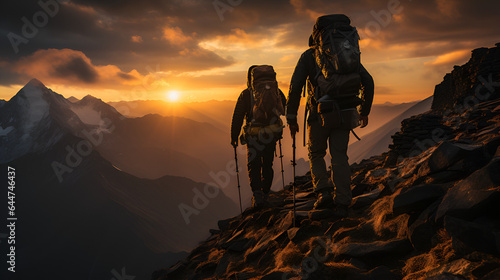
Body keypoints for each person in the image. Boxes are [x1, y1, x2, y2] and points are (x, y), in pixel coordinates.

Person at [286, 14, 374, 217]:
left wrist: (291, 118)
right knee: (339, 156)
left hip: (319, 114)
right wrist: (365, 111)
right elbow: (368, 81)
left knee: (316, 153)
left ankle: (323, 193)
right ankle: (343, 201)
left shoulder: (309, 56)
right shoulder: (349, 55)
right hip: (345, 112)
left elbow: (295, 87)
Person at [231, 65, 286, 208]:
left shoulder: (246, 94)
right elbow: (284, 107)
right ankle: (266, 193)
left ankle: (257, 196)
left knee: (254, 165)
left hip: (253, 135)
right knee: (268, 164)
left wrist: (234, 137)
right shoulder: (275, 90)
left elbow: (237, 116)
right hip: (271, 133)